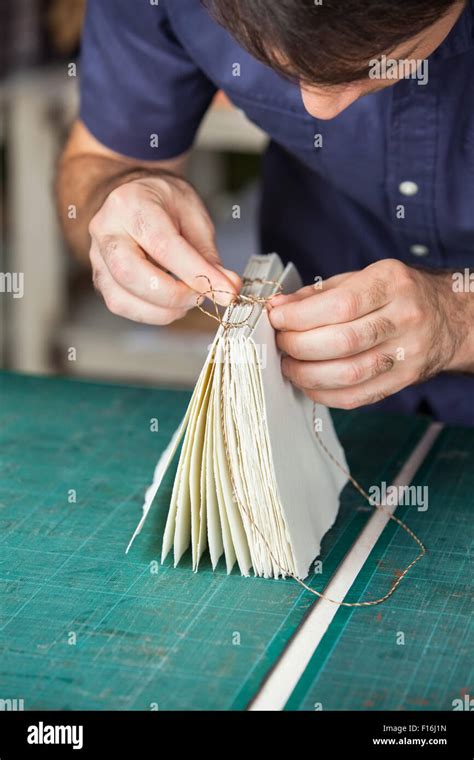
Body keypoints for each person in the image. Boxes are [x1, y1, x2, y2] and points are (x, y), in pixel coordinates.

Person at [56, 0, 474, 426]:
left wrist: (458, 319)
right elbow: (101, 161)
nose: (320, 107)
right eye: (281, 66)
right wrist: (121, 198)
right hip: (329, 417)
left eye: (384, 62)